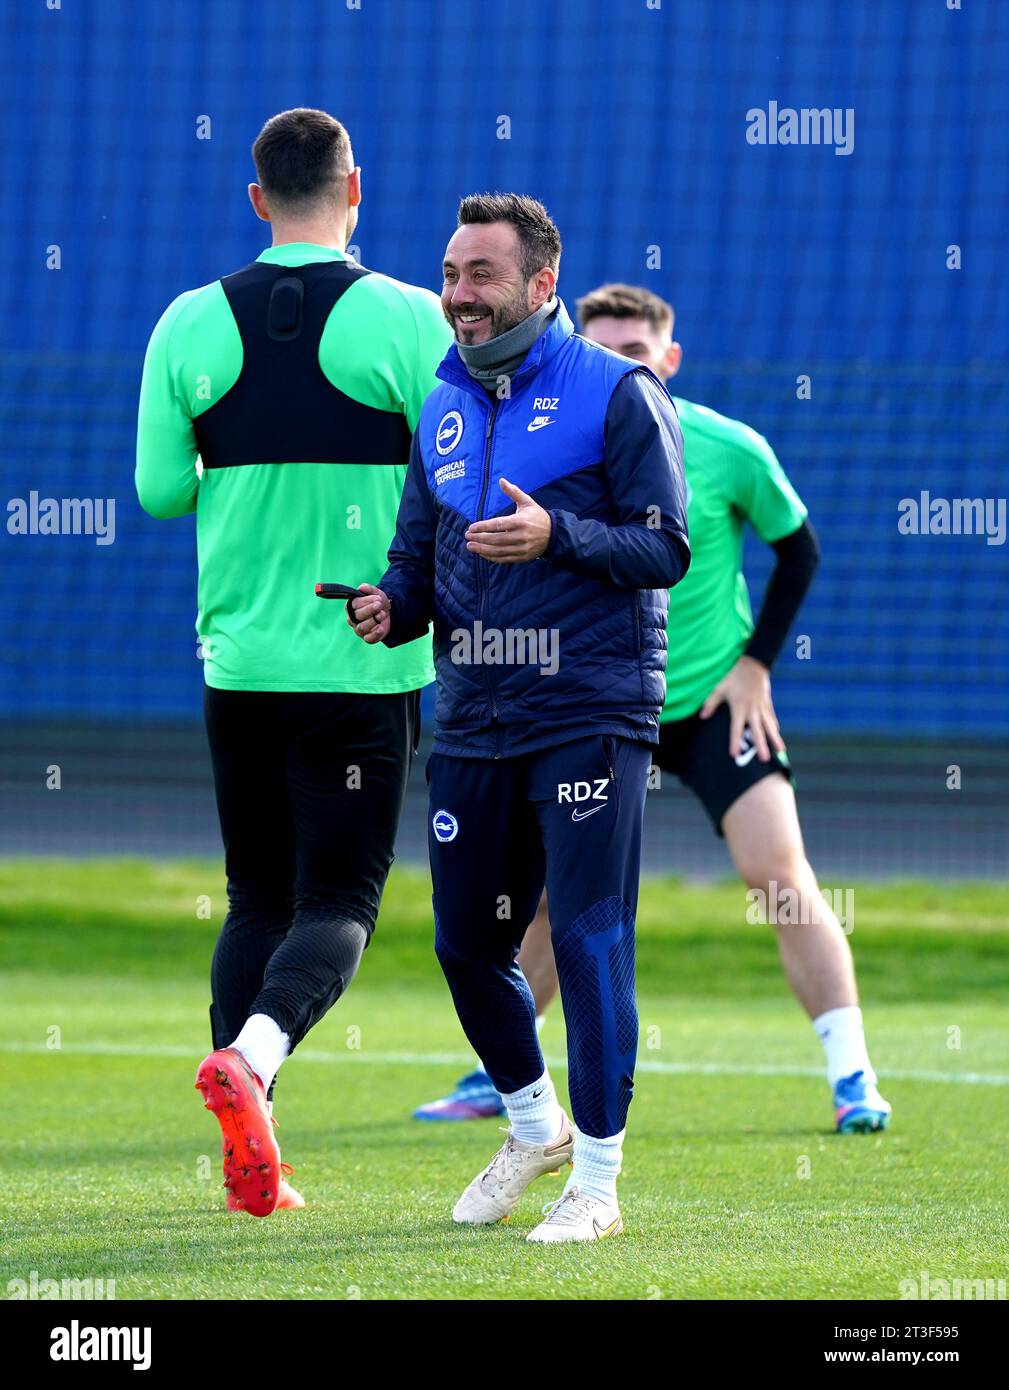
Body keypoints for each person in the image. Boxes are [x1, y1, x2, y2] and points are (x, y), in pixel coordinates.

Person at [416, 283, 891, 1136]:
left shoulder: (722, 444)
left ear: (667, 361)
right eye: (604, 350)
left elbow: (799, 547)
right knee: (556, 897)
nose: (620, 366)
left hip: (707, 701)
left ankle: (851, 1074)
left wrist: (754, 665)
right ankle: (503, 1072)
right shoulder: (539, 437)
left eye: (636, 353)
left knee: (778, 881)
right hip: (587, 708)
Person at [350, 198, 689, 1243]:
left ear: (542, 285)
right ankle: (531, 1124)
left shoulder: (616, 391)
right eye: (451, 272)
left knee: (588, 941)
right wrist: (389, 605)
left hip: (588, 708)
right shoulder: (441, 402)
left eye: (481, 274)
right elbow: (420, 563)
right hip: (471, 717)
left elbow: (663, 548)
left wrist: (558, 536)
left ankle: (597, 1180)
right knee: (463, 944)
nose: (458, 293)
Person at [135, 108, 450, 1216]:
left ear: (256, 196)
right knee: (342, 903)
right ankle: (254, 1065)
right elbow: (454, 478)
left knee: (255, 897)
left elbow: (162, 490)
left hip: (238, 659)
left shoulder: (184, 322)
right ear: (353, 190)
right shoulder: (408, 316)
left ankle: (251, 1140)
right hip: (360, 659)